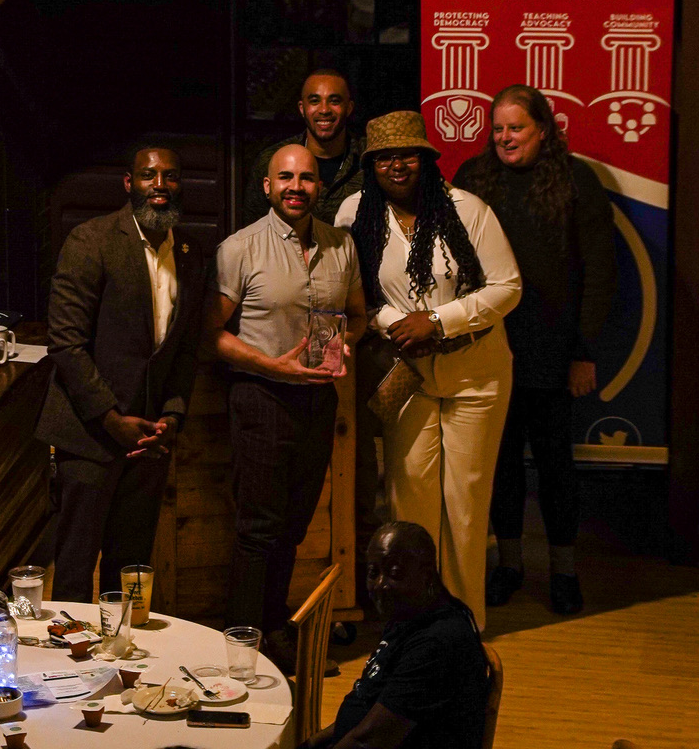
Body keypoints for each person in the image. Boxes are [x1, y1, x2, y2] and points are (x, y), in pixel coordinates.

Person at [336, 111, 521, 631]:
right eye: (385, 157)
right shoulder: (355, 213)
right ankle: (415, 620)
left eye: (408, 154)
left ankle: (463, 623)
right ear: (371, 165)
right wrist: (397, 323)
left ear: (427, 158)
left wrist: (438, 321)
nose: (398, 165)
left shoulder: (467, 208)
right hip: (405, 375)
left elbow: (507, 286)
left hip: (476, 373)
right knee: (409, 497)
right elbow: (352, 292)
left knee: (465, 503)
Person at [452, 84, 617, 615]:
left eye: (516, 127)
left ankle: (564, 572)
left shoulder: (577, 182)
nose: (505, 137)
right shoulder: (473, 180)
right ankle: (510, 565)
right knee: (499, 465)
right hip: (489, 345)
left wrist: (583, 351)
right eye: (497, 128)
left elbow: (600, 271)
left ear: (543, 130)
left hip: (554, 349)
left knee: (554, 465)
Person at [204, 144, 367, 670]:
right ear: (269, 187)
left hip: (317, 400)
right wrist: (272, 366)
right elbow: (212, 335)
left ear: (320, 186)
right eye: (286, 178)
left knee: (294, 526)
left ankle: (275, 632)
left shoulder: (342, 246)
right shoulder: (240, 248)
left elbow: (359, 316)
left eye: (308, 178)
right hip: (261, 397)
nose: (297, 186)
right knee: (259, 528)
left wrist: (347, 343)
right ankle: (242, 648)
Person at [36, 145, 206, 603]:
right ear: (130, 183)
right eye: (149, 175)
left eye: (170, 176)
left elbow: (184, 351)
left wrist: (172, 416)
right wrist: (112, 420)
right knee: (73, 569)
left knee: (130, 571)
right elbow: (66, 344)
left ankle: (119, 659)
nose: (161, 185)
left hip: (148, 440)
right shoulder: (92, 240)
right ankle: (65, 670)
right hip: (90, 435)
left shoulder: (189, 253)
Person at [299, 522, 490, 749]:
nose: (381, 585)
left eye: (394, 573)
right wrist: (310, 745)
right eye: (373, 573)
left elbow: (370, 741)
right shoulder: (406, 615)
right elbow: (365, 702)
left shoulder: (436, 643)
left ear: (427, 575)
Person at [242, 69, 364, 228]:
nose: (324, 110)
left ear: (348, 107)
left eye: (334, 101)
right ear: (302, 108)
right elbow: (253, 228)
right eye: (315, 101)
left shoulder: (368, 158)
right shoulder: (273, 159)